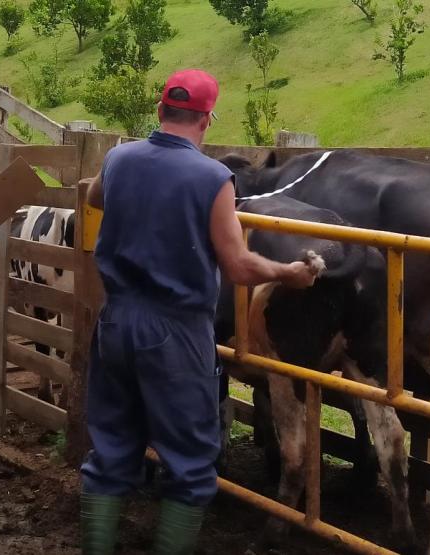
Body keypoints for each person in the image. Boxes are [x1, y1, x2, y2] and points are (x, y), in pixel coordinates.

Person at [79, 69, 319, 554]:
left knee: (109, 451)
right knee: (189, 463)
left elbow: (92, 197)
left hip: (117, 320)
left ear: (159, 109)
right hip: (175, 331)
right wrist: (290, 272)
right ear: (207, 120)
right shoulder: (212, 177)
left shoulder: (119, 158)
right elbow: (238, 264)